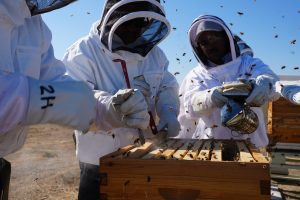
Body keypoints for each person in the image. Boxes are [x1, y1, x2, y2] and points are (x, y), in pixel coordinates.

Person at [62, 0, 180, 199]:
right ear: (112, 16)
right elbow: (72, 97)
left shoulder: (155, 55)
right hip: (98, 162)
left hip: (147, 156)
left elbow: (166, 85)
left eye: (140, 22)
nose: (134, 28)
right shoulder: (83, 51)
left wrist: (168, 111)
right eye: (128, 20)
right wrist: (109, 109)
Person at [0, 1, 97, 199]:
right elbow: (47, 93)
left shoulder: (34, 25)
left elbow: (53, 78)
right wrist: (34, 98)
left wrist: (103, 108)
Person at [177, 15, 279, 147]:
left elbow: (274, 86)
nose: (210, 44)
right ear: (199, 48)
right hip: (210, 146)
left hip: (252, 145)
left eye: (214, 37)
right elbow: (188, 108)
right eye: (204, 42)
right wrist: (210, 97)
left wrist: (265, 84)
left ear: (226, 37)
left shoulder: (249, 64)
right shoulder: (196, 74)